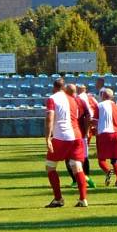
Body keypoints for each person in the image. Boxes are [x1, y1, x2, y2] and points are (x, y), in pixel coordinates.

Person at [44, 78, 89, 208]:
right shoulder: (73, 99)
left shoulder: (52, 98)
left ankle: (58, 199)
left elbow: (49, 118)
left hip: (61, 136)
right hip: (76, 136)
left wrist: (47, 137)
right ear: (64, 88)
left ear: (54, 87)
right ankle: (83, 199)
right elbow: (81, 116)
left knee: (50, 166)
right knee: (77, 166)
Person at [65, 84, 97, 189]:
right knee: (83, 157)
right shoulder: (81, 101)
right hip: (81, 134)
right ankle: (86, 178)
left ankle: (76, 180)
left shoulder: (65, 102)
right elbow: (89, 116)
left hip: (69, 134)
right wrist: (87, 131)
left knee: (69, 158)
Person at [95, 88, 117, 187]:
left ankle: (108, 171)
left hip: (104, 134)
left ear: (103, 96)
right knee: (116, 159)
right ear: (112, 96)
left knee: (101, 159)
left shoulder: (99, 106)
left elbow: (94, 120)